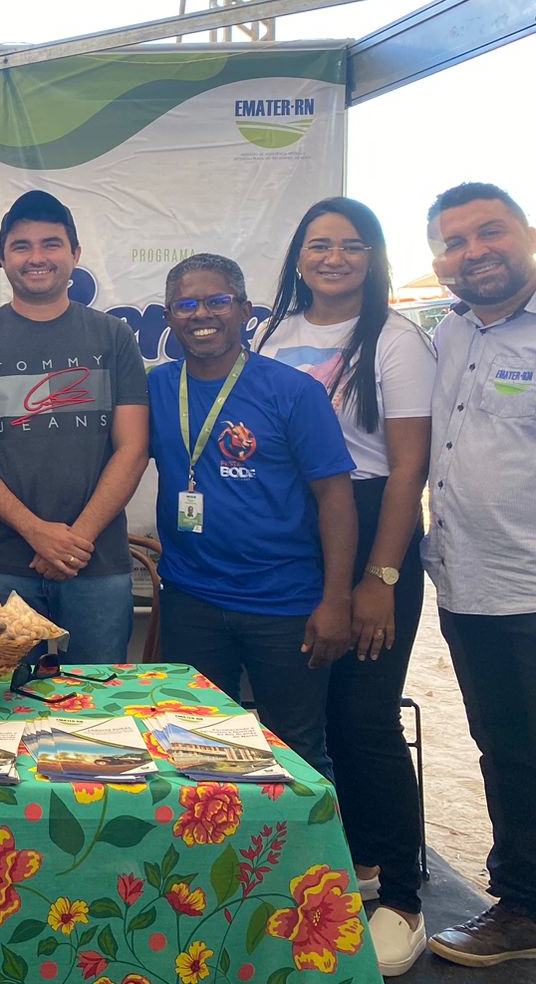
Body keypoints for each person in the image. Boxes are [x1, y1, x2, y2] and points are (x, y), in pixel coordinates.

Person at [257, 198, 434, 976]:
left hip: (369, 523)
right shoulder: (271, 332)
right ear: (298, 256)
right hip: (289, 530)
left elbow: (406, 473)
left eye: (351, 246)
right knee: (303, 717)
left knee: (365, 718)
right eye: (319, 245)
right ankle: (340, 866)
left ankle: (400, 891)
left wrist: (379, 578)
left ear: (374, 257)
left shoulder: (397, 339)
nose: (334, 258)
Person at [148, 253, 358, 776]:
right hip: (191, 599)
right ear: (170, 316)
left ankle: (313, 861)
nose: (202, 314)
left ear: (245, 310)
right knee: (192, 745)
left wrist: (336, 600)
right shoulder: (153, 389)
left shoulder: (294, 392)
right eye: (186, 304)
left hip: (284, 605)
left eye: (218, 301)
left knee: (298, 751)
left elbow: (335, 498)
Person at [0, 190, 148, 664]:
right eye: (21, 246)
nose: (37, 258)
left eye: (51, 244)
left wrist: (74, 540)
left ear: (75, 254)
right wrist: (36, 532)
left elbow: (133, 448)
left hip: (95, 562)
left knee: (97, 711)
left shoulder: (113, 337)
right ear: (2, 258)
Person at [419, 182, 536, 969]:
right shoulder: (450, 335)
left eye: (488, 232)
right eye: (454, 243)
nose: (473, 252)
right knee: (504, 747)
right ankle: (523, 899)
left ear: (525, 232)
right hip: (468, 584)